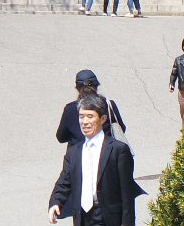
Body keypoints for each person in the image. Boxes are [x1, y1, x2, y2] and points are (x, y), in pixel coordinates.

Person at [47, 94, 143, 226]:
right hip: (82, 217)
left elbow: (127, 195)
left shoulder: (118, 150)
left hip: (108, 218)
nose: (84, 121)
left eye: (90, 116)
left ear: (103, 119)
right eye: (81, 117)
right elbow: (65, 180)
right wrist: (55, 202)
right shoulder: (74, 152)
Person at [56, 71, 127, 144]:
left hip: (77, 154)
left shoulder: (70, 109)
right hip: (105, 153)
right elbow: (121, 129)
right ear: (96, 86)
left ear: (77, 88)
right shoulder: (109, 105)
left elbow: (61, 137)